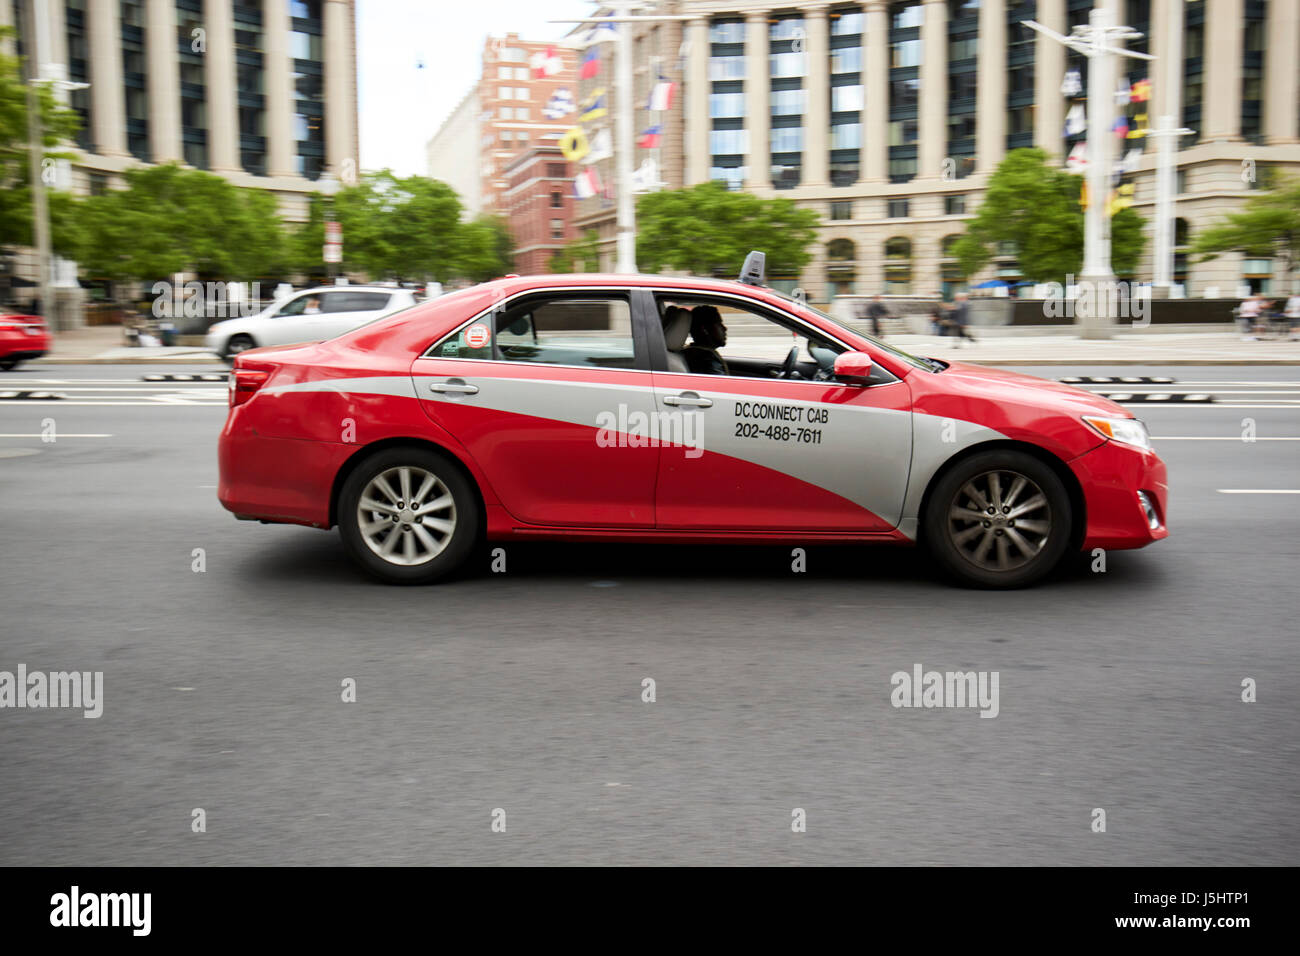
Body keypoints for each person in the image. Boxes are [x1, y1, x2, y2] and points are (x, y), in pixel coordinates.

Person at [681, 305, 729, 375]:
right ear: (705, 330)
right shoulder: (707, 359)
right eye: (719, 324)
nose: (725, 328)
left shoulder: (692, 353)